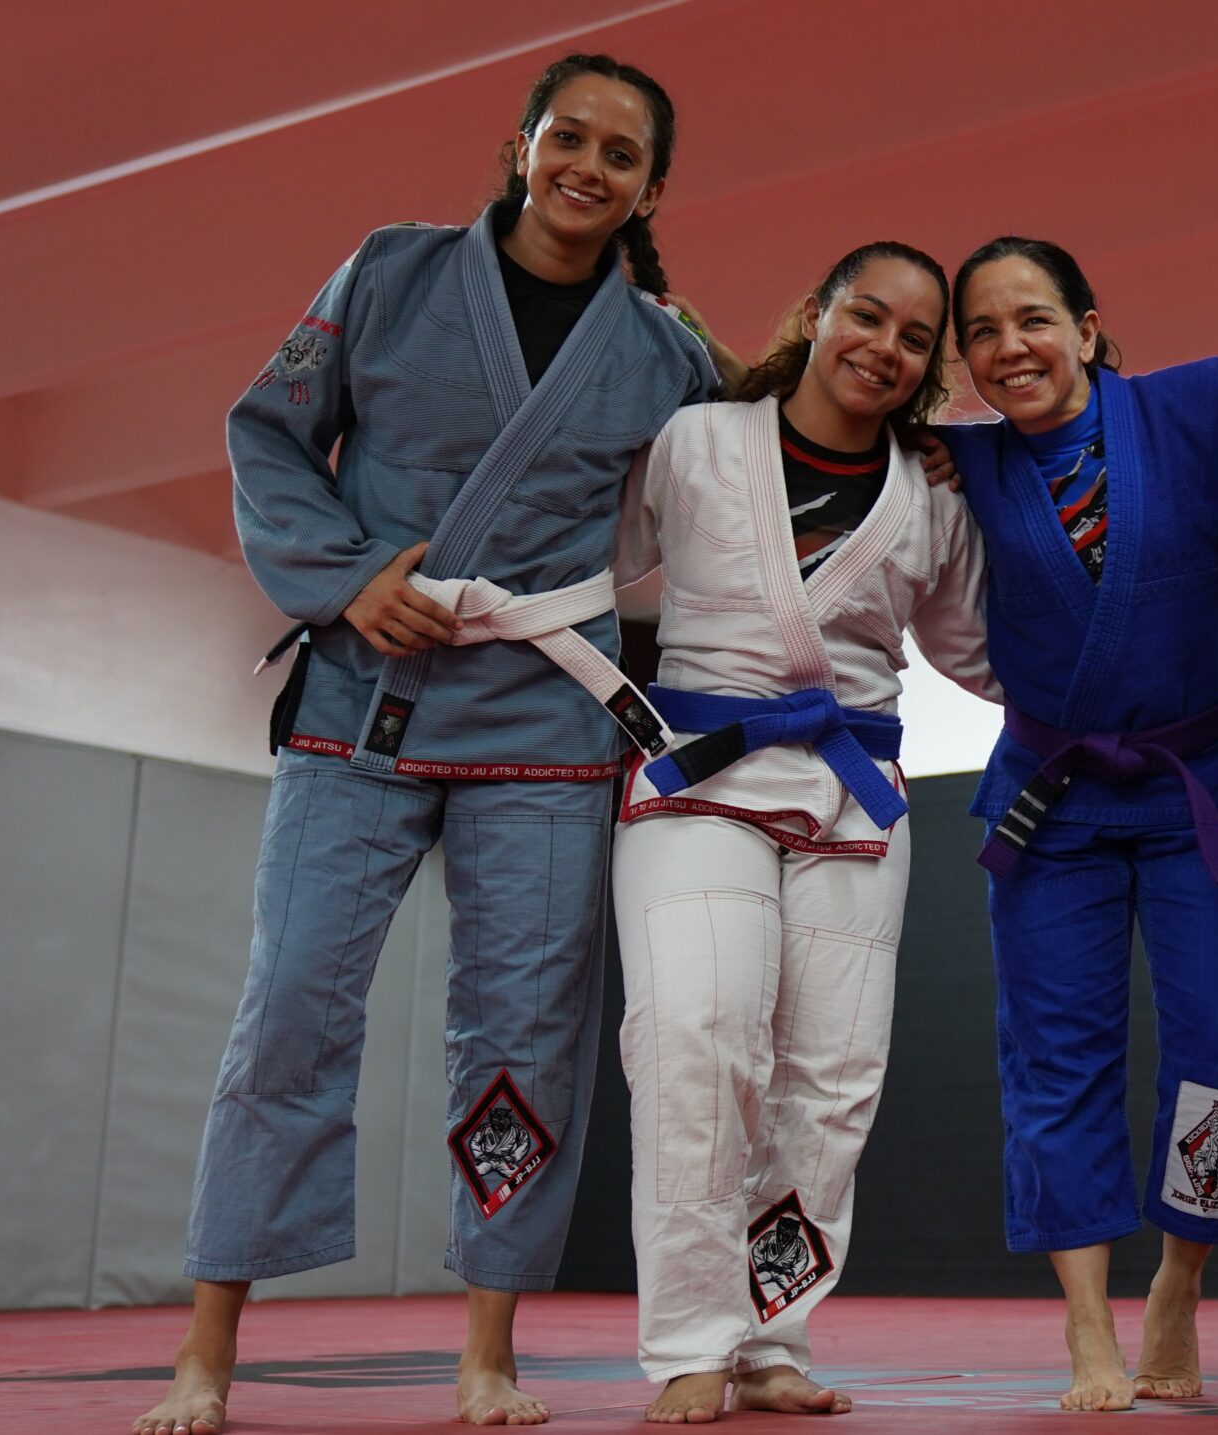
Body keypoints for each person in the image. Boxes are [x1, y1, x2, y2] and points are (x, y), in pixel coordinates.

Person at [136, 54, 725, 1435]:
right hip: (365, 699)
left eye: (620, 154)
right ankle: (206, 1348)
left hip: (545, 721)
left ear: (651, 189)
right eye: (566, 136)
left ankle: (488, 1352)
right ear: (522, 144)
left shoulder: (665, 354)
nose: (586, 166)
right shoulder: (390, 273)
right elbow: (269, 433)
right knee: (290, 1006)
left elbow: (744, 492)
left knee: (523, 1035)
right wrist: (346, 578)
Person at [610, 240, 996, 1422]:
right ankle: (691, 1340)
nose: (884, 347)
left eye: (915, 338)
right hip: (701, 775)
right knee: (697, 1041)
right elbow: (595, 558)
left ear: (930, 367)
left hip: (852, 791)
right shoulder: (697, 440)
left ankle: (772, 1335)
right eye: (865, 315)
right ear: (818, 313)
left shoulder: (932, 493)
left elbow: (982, 653)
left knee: (831, 1081)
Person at [941, 237, 1218, 1413]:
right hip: (1053, 799)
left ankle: (1179, 1280)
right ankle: (1088, 1322)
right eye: (983, 333)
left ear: (1087, 328)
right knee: (1054, 1057)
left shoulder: (1196, 405)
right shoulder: (962, 463)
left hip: (1203, 783)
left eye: (1034, 319)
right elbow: (829, 407)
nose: (1010, 348)